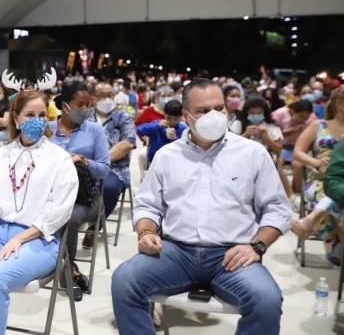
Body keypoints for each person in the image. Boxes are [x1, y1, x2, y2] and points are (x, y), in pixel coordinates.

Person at [111, 79, 291, 335]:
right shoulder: (167, 155)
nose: (214, 116)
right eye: (203, 111)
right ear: (186, 116)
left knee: (267, 300)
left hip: (231, 256)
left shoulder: (252, 153)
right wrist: (146, 232)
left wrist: (257, 245)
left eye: (220, 108)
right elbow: (148, 205)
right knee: (124, 281)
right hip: (176, 252)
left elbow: (277, 209)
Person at [0, 90, 78, 335]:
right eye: (30, 114)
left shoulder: (59, 160)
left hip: (40, 239)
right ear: (17, 118)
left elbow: (60, 212)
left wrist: (20, 238)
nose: (37, 120)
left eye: (42, 115)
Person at [50, 81, 110, 300]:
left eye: (88, 104)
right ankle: (68, 266)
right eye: (80, 104)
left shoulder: (94, 130)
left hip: (86, 199)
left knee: (69, 218)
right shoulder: (49, 129)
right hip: (51, 196)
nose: (85, 109)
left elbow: (104, 169)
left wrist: (84, 161)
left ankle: (66, 269)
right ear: (65, 106)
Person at [291, 87, 344, 263]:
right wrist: (315, 162)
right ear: (338, 103)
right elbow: (298, 152)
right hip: (319, 180)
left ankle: (310, 221)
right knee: (337, 197)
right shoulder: (320, 125)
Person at [82, 82, 136, 248]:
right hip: (85, 165)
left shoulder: (123, 116)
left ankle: (95, 225)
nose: (106, 99)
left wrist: (102, 160)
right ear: (93, 98)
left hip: (115, 168)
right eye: (102, 96)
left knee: (109, 187)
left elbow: (128, 143)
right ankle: (75, 220)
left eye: (110, 95)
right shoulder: (85, 116)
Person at [272, 99, 316, 200]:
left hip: (299, 151)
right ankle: (281, 188)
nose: (303, 119)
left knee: (297, 165)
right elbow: (282, 132)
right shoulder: (289, 122)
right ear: (293, 113)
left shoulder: (309, 125)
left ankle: (297, 189)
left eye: (306, 117)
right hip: (286, 149)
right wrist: (293, 130)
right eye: (301, 116)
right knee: (278, 163)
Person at [136, 99, 187, 164]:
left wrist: (175, 139)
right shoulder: (157, 124)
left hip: (173, 162)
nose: (172, 121)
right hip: (154, 161)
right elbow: (139, 130)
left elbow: (185, 149)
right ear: (164, 114)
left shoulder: (182, 129)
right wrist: (157, 126)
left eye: (175, 119)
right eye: (169, 118)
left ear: (180, 117)